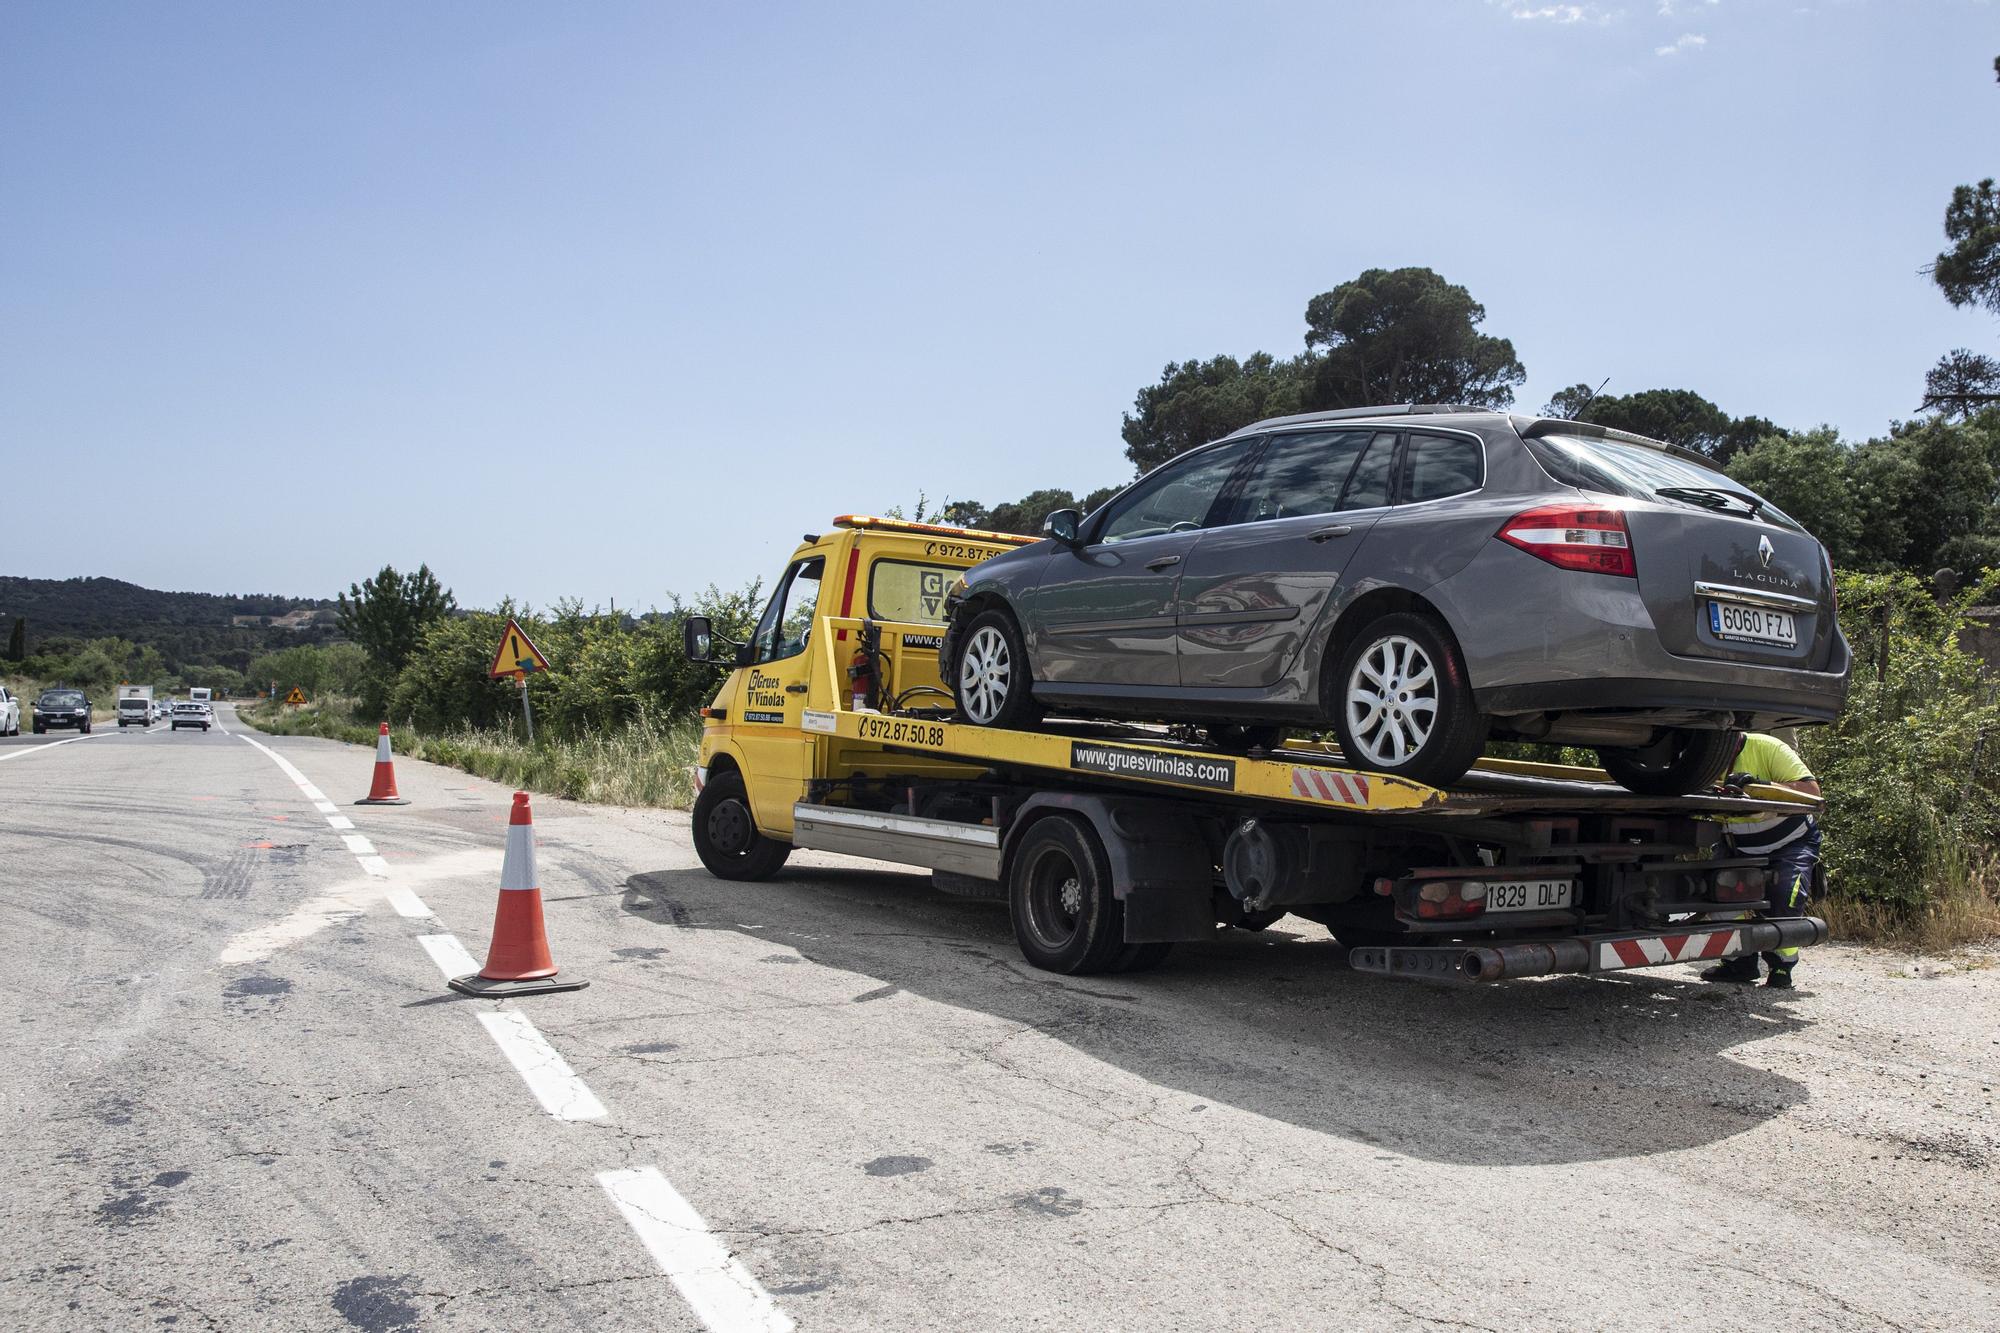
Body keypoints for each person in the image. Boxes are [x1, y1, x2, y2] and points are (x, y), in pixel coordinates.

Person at [1704, 731, 1821, 989]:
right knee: (1716, 896)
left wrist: (1763, 785)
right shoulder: (1697, 757)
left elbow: (1811, 791)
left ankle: (1781, 967)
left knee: (1784, 899)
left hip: (1789, 843)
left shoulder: (1769, 747)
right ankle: (1738, 963)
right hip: (1737, 845)